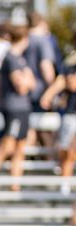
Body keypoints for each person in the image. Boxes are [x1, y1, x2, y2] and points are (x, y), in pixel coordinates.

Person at [0, 27, 35, 193]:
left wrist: (27, 81)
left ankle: (15, 184)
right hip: (14, 108)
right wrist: (27, 81)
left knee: (20, 147)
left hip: (23, 108)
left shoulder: (20, 59)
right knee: (7, 144)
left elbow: (31, 83)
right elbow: (21, 86)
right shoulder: (11, 58)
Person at [41, 54, 76, 191]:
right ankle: (65, 185)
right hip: (71, 115)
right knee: (67, 151)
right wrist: (48, 96)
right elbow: (70, 84)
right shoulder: (70, 68)